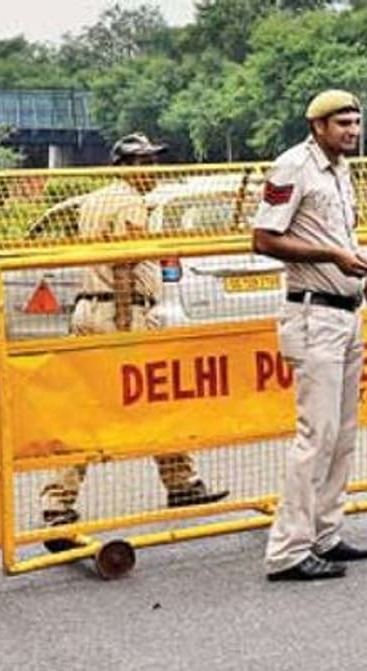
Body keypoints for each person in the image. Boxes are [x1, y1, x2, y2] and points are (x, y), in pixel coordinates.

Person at [39, 134, 228, 539]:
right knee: (149, 397)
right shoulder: (128, 203)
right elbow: (124, 263)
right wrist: (126, 325)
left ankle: (65, 499)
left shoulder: (94, 199)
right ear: (124, 166)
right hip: (118, 312)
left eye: (154, 161)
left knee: (101, 405)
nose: (153, 170)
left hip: (89, 307)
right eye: (144, 162)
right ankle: (175, 484)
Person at [253, 90, 367, 582]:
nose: (352, 130)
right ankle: (288, 549)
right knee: (315, 435)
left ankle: (325, 532)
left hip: (346, 312)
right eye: (342, 123)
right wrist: (332, 258)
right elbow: (264, 239)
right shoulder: (292, 167)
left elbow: (343, 238)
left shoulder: (341, 170)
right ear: (317, 126)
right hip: (314, 315)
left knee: (342, 435)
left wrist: (364, 283)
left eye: (356, 122)